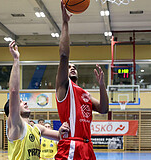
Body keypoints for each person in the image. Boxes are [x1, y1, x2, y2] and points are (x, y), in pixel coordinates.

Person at [55, 1, 109, 159]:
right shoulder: (64, 87)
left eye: (74, 67)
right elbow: (64, 56)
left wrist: (101, 86)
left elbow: (104, 109)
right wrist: (65, 23)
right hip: (72, 144)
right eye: (69, 67)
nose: (71, 68)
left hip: (87, 146)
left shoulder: (85, 94)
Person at [4, 40, 69, 160]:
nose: (25, 102)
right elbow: (13, 91)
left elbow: (61, 136)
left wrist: (62, 130)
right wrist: (16, 59)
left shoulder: (36, 128)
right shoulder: (15, 126)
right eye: (20, 102)